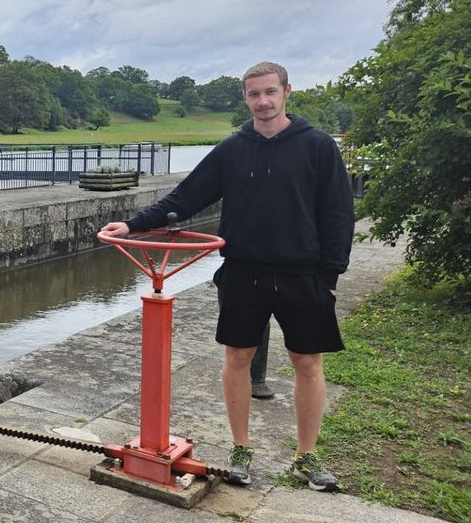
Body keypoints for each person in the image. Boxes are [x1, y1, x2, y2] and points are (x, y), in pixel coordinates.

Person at [100, 61, 353, 491]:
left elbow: (337, 213)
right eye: (254, 94)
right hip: (243, 271)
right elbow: (186, 197)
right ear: (245, 98)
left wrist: (331, 274)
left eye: (270, 92)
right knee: (237, 358)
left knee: (307, 363)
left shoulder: (317, 146)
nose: (263, 101)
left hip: (303, 272)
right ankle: (240, 450)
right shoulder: (233, 149)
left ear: (287, 92)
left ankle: (306, 457)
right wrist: (134, 225)